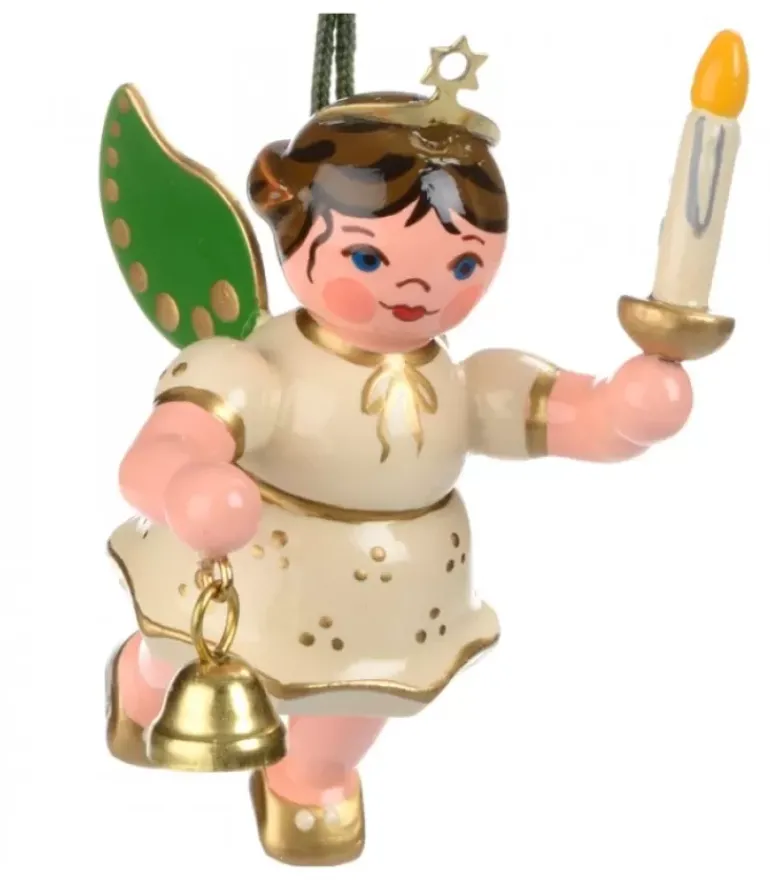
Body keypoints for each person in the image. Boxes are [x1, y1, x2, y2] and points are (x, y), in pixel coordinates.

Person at [107, 75, 692, 866]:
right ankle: (140, 692)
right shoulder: (258, 367)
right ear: (292, 230)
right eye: (366, 256)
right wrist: (186, 483)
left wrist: (627, 412)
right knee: (176, 653)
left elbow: (570, 416)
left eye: (462, 265)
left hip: (394, 600)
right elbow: (164, 446)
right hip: (246, 570)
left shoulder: (461, 379)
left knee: (361, 696)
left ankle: (311, 777)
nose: (416, 288)